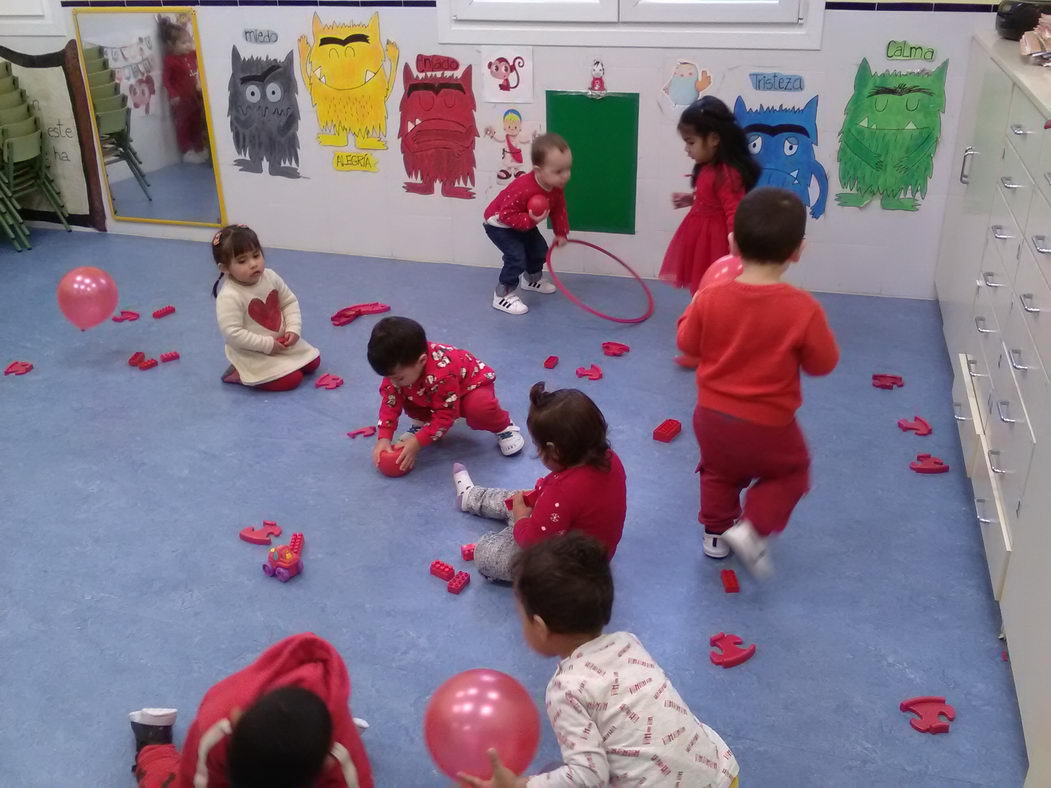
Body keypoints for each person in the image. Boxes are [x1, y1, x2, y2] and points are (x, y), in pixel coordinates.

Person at [458, 534, 740, 787]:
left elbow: (588, 777)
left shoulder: (565, 688)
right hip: (722, 775)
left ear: (540, 629)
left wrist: (519, 786)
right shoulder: (629, 643)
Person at [676, 187, 839, 577]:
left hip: (711, 417)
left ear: (732, 242)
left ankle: (715, 535)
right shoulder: (804, 309)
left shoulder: (710, 298)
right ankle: (753, 529)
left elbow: (686, 343)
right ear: (798, 251)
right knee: (791, 472)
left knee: (719, 471)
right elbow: (823, 364)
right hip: (768, 425)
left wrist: (694, 306)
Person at [127, 632, 373, 788]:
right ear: (235, 720)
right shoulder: (218, 722)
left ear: (326, 761)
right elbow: (192, 781)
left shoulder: (343, 757)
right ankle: (153, 747)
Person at [452, 382, 626, 582]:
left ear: (554, 450)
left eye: (537, 446)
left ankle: (495, 523)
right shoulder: (610, 457)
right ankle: (470, 497)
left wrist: (520, 520)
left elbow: (532, 542)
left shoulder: (561, 493)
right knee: (522, 498)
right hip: (587, 544)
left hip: (572, 571)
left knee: (486, 556)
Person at [661, 96, 760, 366]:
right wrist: (692, 199)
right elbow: (713, 198)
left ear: (714, 139)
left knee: (711, 296)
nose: (687, 149)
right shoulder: (709, 167)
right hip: (699, 236)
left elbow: (734, 208)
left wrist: (733, 238)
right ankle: (703, 346)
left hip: (715, 243)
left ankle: (714, 349)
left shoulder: (728, 173)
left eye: (691, 142)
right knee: (701, 294)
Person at [367, 316, 525, 471]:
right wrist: (384, 437)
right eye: (388, 377)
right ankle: (425, 425)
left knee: (478, 408)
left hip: (470, 387)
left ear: (421, 361)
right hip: (433, 391)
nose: (392, 382)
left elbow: (445, 415)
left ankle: (504, 427)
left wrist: (418, 442)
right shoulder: (399, 374)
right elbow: (390, 402)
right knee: (403, 390)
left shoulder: (442, 374)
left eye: (398, 377)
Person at [211, 224, 321, 392]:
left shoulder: (270, 276)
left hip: (282, 344)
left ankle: (282, 363)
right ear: (225, 268)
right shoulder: (229, 296)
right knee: (292, 380)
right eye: (242, 261)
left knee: (314, 363)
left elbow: (289, 302)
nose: (253, 264)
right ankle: (238, 373)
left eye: (256, 255)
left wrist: (293, 329)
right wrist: (267, 345)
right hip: (254, 352)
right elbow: (233, 334)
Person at [483, 133, 572, 316]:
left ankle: (531, 279)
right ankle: (502, 295)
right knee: (516, 257)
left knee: (539, 250)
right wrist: (530, 221)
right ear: (538, 171)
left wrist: (561, 233)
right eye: (558, 171)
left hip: (524, 222)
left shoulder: (555, 187)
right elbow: (507, 215)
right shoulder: (523, 188)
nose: (565, 176)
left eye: (567, 169)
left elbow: (559, 209)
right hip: (499, 224)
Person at [158, 18, 208, 164]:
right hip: (181, 102)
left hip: (195, 98)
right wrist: (173, 95)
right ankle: (187, 151)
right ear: (170, 45)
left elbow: (203, 54)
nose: (188, 45)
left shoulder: (191, 54)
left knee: (197, 123)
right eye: (183, 42)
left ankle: (199, 148)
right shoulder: (170, 60)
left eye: (189, 41)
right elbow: (166, 80)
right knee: (183, 126)